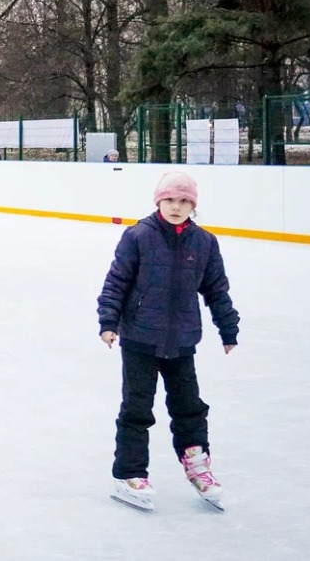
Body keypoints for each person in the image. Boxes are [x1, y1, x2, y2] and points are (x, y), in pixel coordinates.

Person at [96, 172, 240, 511]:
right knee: (137, 408)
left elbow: (217, 289)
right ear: (158, 201)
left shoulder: (204, 242)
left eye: (185, 201)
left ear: (193, 205)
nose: (177, 207)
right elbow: (116, 283)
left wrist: (228, 327)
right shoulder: (138, 236)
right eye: (171, 200)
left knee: (189, 407)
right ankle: (130, 473)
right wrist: (108, 322)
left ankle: (198, 467)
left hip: (182, 339)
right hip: (139, 339)